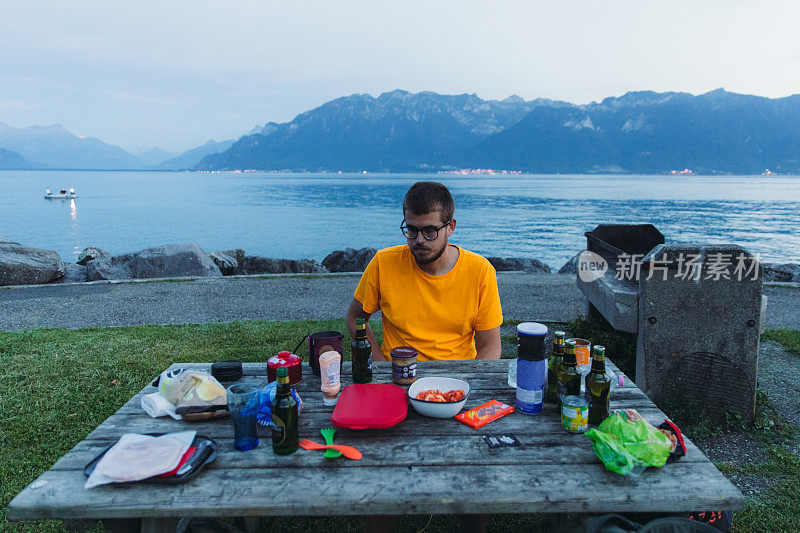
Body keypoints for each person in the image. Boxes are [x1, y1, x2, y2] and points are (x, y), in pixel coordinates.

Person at [345, 181, 502, 533]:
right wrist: (379, 362)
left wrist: (468, 385)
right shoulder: (385, 263)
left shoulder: (480, 272)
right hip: (396, 382)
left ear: (451, 226)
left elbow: (491, 344)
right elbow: (356, 316)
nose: (418, 241)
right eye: (411, 230)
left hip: (455, 386)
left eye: (430, 231)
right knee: (383, 478)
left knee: (471, 480)